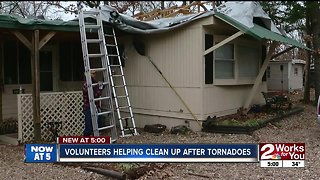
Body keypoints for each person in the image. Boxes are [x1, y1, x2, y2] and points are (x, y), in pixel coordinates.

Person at [82, 70, 104, 136]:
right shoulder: (86, 84)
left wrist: (102, 83)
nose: (95, 75)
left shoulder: (94, 82)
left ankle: (95, 141)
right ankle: (86, 142)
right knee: (89, 127)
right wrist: (100, 88)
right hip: (88, 107)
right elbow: (94, 95)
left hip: (95, 107)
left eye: (95, 73)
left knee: (98, 124)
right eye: (93, 74)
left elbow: (98, 88)